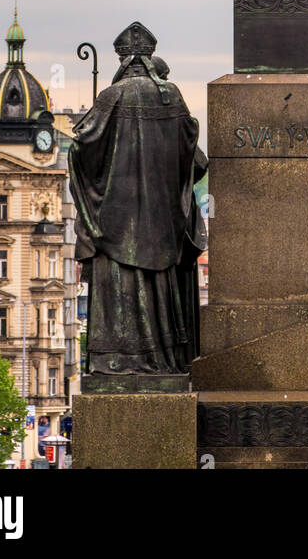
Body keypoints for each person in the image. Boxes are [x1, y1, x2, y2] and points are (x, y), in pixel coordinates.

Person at [69, 22, 207, 377]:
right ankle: (161, 359)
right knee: (159, 289)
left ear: (123, 59)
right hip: (162, 222)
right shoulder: (171, 96)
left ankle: (116, 360)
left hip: (117, 220)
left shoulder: (111, 96)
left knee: (121, 291)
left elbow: (80, 147)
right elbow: (195, 158)